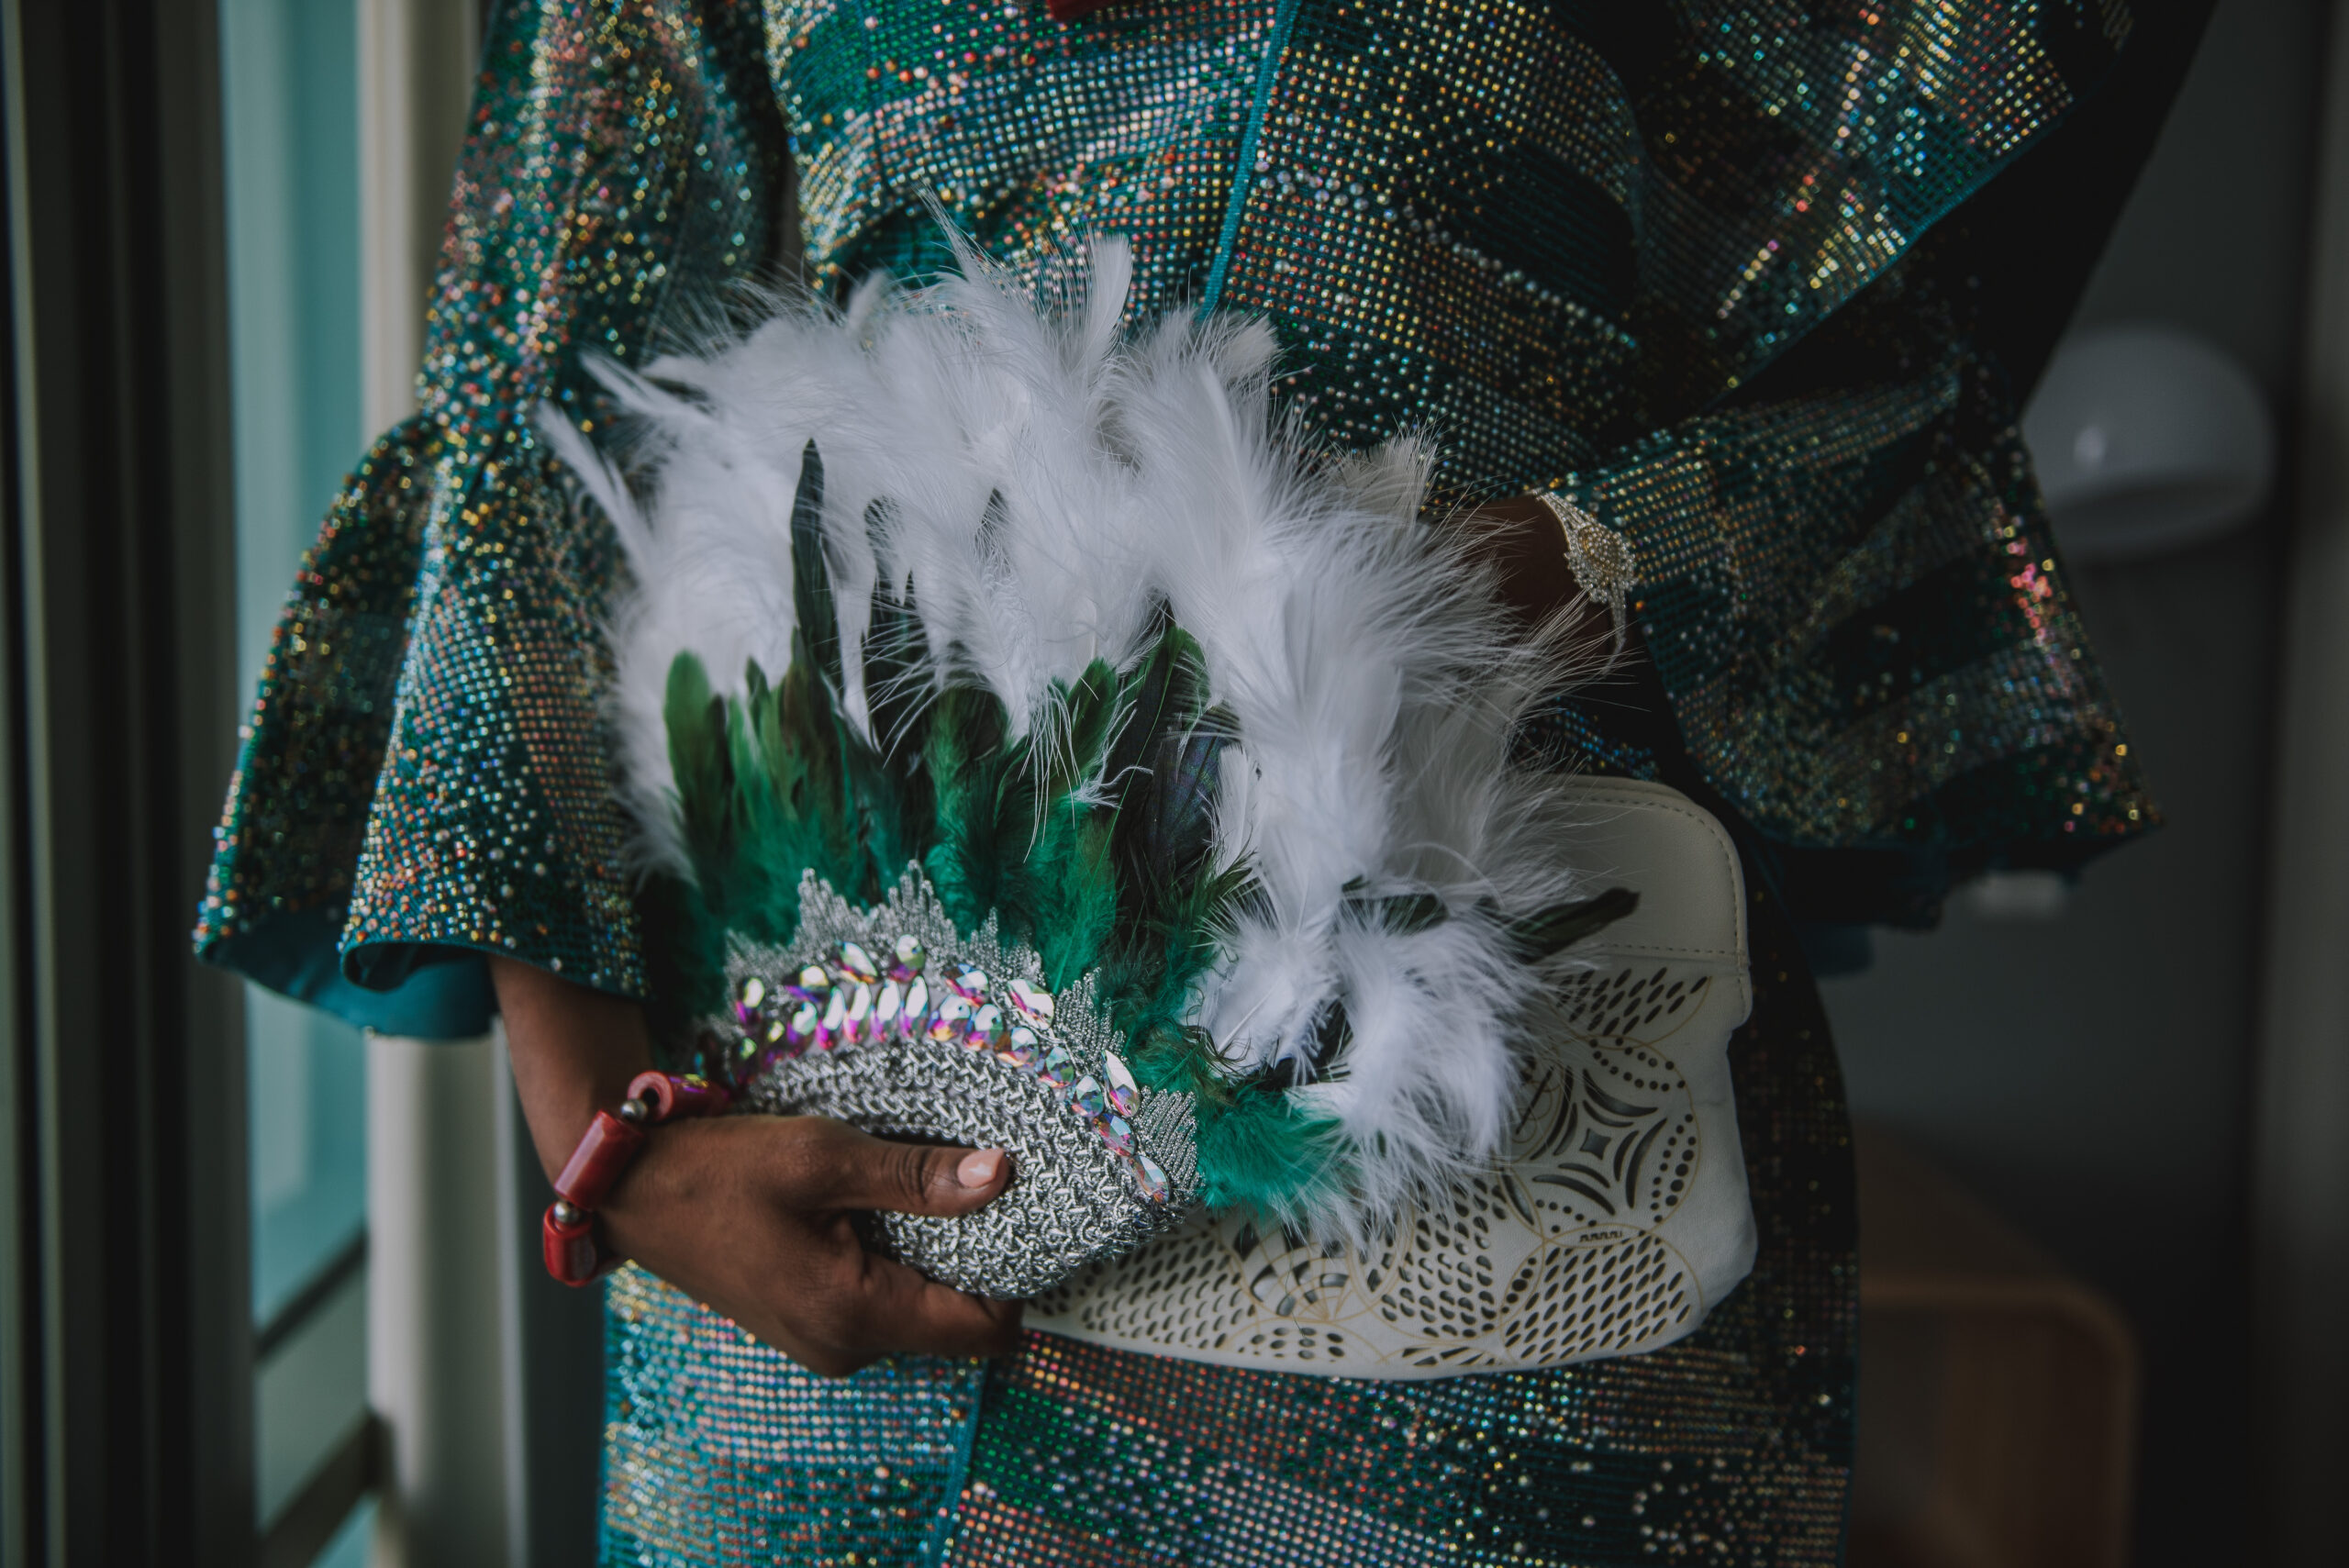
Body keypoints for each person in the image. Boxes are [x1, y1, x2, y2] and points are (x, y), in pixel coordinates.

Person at [199, 0, 2159, 1560]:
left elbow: (1897, 401)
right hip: (817, 1230)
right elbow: (538, 437)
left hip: (1466, 1213)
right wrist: (613, 1151)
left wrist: (1552, 566)